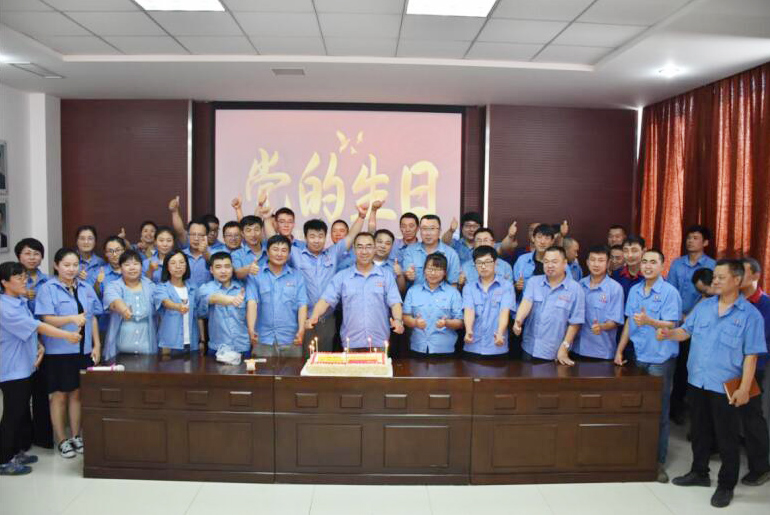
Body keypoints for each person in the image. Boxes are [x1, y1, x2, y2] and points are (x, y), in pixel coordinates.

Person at [665, 259, 768, 507]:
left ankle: (726, 485)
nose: (716, 281)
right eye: (715, 277)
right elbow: (685, 332)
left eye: (721, 277)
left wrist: (744, 389)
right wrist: (668, 333)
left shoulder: (750, 315)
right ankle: (699, 472)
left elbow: (751, 356)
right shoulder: (704, 306)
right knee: (699, 431)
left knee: (727, 438)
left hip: (726, 386)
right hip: (697, 381)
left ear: (737, 280)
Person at [1, 262, 81, 475]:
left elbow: (30, 331)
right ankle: (4, 459)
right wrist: (67, 335)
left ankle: (15, 451)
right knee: (12, 415)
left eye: (24, 276)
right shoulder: (4, 307)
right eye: (18, 277)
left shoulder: (19, 301)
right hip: (12, 368)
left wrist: (39, 345)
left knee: (20, 413)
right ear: (4, 282)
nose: (24, 281)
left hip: (26, 366)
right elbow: (37, 325)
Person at [615, 248, 682, 483]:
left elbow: (672, 324)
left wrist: (649, 321)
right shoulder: (635, 290)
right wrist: (620, 349)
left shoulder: (669, 292)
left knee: (658, 411)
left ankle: (657, 462)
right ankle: (635, 456)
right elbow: (629, 321)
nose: (647, 266)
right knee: (636, 408)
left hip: (660, 359)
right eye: (644, 262)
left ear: (662, 266)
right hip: (638, 355)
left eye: (653, 262)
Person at [35, 248, 103, 459]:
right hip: (59, 351)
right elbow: (46, 319)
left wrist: (97, 344)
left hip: (83, 350)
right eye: (66, 265)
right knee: (59, 395)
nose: (71, 269)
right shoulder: (48, 288)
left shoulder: (85, 287)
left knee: (77, 394)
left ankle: (76, 436)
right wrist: (71, 319)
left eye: (75, 265)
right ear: (56, 265)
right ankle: (62, 439)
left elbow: (91, 317)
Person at [289, 204, 368, 352]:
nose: (316, 240)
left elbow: (351, 236)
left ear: (325, 238)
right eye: (312, 236)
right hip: (303, 318)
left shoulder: (332, 253)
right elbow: (274, 242)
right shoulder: (296, 254)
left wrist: (361, 217)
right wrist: (266, 218)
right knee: (304, 359)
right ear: (305, 238)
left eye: (320, 236)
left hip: (327, 318)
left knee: (325, 357)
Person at [307, 232, 404, 349]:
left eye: (368, 247)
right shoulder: (342, 276)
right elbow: (325, 300)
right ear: (354, 249)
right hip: (351, 343)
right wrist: (314, 316)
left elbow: (395, 303)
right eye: (360, 247)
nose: (364, 251)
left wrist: (398, 320)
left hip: (379, 342)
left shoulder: (386, 275)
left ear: (374, 249)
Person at [513, 246, 585, 365]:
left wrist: (564, 347)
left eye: (554, 262)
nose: (549, 265)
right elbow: (526, 303)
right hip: (529, 348)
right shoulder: (534, 282)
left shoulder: (575, 289)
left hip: (555, 352)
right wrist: (518, 321)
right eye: (546, 262)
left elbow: (575, 323)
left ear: (564, 263)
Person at [13, 238, 53, 448]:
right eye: (27, 253)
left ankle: (43, 436)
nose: (32, 257)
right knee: (20, 394)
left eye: (36, 253)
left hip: (44, 340)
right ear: (19, 256)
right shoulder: (11, 280)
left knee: (41, 390)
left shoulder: (48, 281)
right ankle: (23, 439)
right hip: (20, 342)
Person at [246, 235, 308, 357]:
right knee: (261, 370)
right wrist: (251, 329)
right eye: (275, 249)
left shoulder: (297, 276)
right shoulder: (256, 275)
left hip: (291, 338)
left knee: (293, 369)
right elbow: (252, 302)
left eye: (284, 250)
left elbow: (302, 304)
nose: (279, 254)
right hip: (262, 339)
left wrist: (301, 330)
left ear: (289, 254)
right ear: (267, 252)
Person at [738, 257, 770, 486]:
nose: (738, 277)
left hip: (752, 368)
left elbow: (761, 340)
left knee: (751, 416)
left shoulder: (765, 304)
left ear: (756, 276)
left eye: (743, 273)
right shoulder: (734, 300)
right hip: (729, 366)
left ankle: (760, 468)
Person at [403, 253, 463, 356]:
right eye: (430, 269)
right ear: (424, 270)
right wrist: (415, 323)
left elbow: (460, 322)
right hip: (417, 347)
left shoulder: (453, 293)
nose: (433, 273)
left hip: (444, 350)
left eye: (438, 269)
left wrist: (446, 323)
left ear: (445, 272)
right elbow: (405, 317)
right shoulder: (413, 291)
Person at [571, 245, 624, 361]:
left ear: (608, 263)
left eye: (601, 260)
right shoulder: (579, 285)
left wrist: (602, 326)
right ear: (587, 262)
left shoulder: (615, 288)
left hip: (601, 352)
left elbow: (615, 321)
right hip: (576, 349)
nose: (596, 264)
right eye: (593, 260)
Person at [103, 250, 158, 360]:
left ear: (141, 267)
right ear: (120, 268)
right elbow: (114, 301)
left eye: (136, 264)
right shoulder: (113, 286)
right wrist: (124, 310)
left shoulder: (151, 286)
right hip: (119, 352)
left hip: (148, 350)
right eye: (127, 264)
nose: (132, 268)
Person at [462, 246, 516, 358]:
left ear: (495, 263)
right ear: (475, 265)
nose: (483, 266)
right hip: (473, 345)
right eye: (479, 263)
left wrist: (500, 333)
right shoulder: (469, 287)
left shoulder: (506, 286)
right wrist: (468, 330)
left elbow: (504, 312)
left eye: (487, 262)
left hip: (497, 345)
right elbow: (469, 311)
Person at [196, 252, 251, 357]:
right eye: (218, 267)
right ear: (211, 270)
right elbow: (213, 298)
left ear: (232, 268)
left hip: (243, 347)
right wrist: (230, 300)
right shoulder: (205, 288)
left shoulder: (243, 288)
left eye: (227, 266)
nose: (223, 271)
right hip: (218, 348)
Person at [154, 250, 202, 355]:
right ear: (167, 267)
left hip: (192, 343)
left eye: (181, 262)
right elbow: (166, 302)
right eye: (173, 263)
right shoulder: (161, 287)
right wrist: (178, 306)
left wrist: (202, 340)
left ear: (186, 265)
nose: (178, 266)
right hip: (169, 344)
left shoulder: (193, 288)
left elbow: (198, 315)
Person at [400, 214, 460, 290]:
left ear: (439, 230)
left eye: (432, 228)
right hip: (416, 295)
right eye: (424, 228)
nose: (428, 233)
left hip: (442, 296)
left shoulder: (451, 254)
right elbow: (406, 277)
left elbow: (453, 284)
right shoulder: (410, 251)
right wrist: (408, 275)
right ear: (420, 230)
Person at [512, 223, 557, 296]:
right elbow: (512, 290)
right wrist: (517, 287)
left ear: (552, 241)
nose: (542, 242)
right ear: (533, 238)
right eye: (539, 237)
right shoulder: (522, 260)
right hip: (526, 301)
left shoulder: (559, 262)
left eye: (547, 238)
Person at [232, 215, 268, 280]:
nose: (253, 234)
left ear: (261, 231)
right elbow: (236, 273)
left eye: (256, 229)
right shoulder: (236, 254)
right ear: (242, 234)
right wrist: (248, 269)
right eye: (248, 230)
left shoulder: (269, 249)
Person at [611, 235, 645, 302]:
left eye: (634, 251)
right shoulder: (616, 274)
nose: (630, 255)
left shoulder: (649, 276)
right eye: (626, 251)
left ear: (644, 251)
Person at [183, 219, 213, 288]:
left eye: (200, 235)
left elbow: (215, 264)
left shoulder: (215, 254)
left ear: (207, 236)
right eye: (193, 234)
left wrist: (205, 252)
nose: (196, 238)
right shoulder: (181, 255)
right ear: (188, 235)